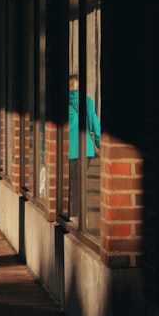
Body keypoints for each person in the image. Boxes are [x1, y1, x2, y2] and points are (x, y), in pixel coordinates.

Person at [68, 74, 101, 218]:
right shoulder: (87, 101)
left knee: (71, 185)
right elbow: (95, 125)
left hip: (68, 150)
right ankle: (81, 217)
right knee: (81, 184)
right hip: (85, 149)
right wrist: (100, 145)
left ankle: (73, 215)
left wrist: (44, 152)